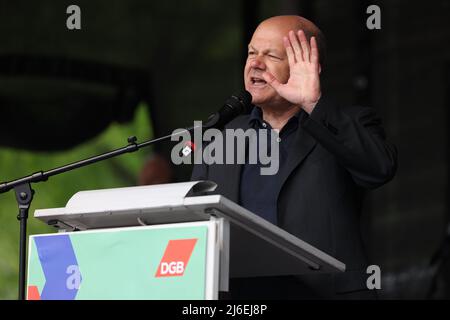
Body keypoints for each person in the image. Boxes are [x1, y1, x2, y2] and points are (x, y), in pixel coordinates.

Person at [191, 15, 397, 299]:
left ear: (307, 65)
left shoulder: (346, 122)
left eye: (271, 55)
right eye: (252, 53)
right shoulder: (222, 137)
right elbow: (194, 223)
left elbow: (379, 169)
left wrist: (314, 104)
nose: (256, 63)